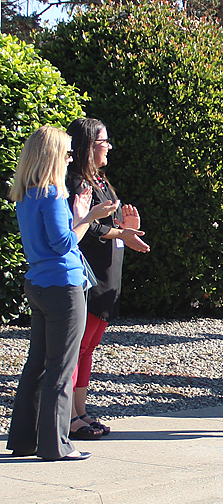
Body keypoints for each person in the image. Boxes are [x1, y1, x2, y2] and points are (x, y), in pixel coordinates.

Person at [7, 125, 117, 461]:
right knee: (61, 366)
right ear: (54, 155)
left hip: (38, 283)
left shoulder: (25, 193)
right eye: (68, 152)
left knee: (36, 365)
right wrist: (87, 217)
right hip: (63, 285)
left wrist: (80, 215)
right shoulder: (53, 192)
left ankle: (24, 440)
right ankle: (57, 444)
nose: (71, 158)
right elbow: (63, 242)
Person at [65, 117, 151, 441]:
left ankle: (81, 410)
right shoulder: (77, 182)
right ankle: (70, 417)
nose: (109, 147)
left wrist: (128, 228)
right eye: (104, 141)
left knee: (89, 348)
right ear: (89, 144)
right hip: (89, 277)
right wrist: (120, 231)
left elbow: (110, 223)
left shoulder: (100, 181)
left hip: (108, 274)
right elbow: (87, 228)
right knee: (77, 347)